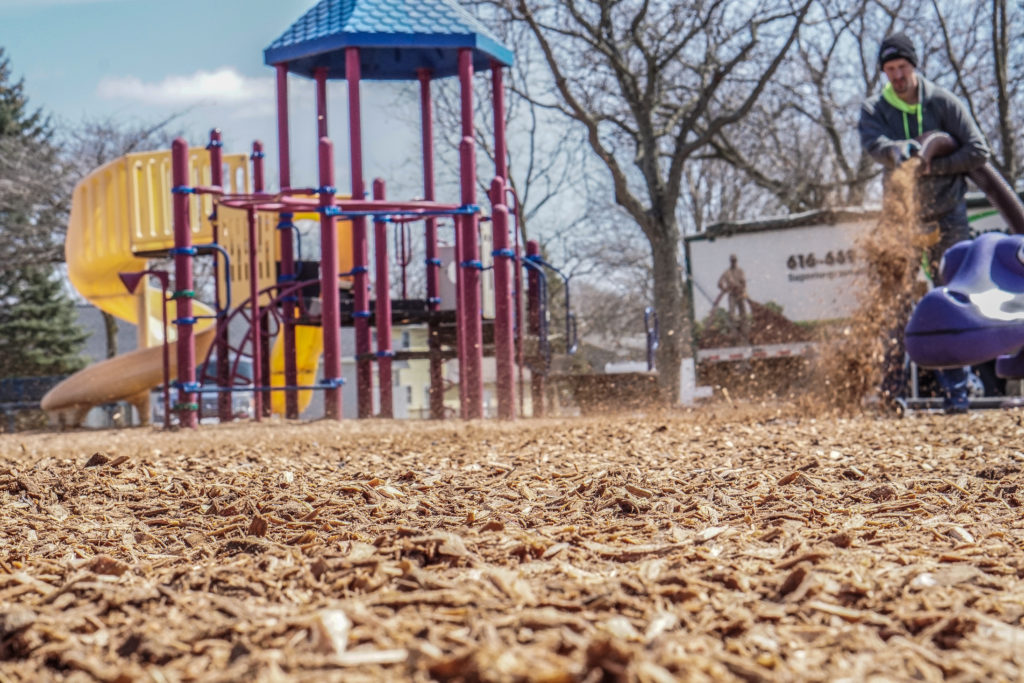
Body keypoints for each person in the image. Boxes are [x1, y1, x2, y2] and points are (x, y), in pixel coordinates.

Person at [858, 32, 990, 413]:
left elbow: (979, 151)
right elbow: (874, 144)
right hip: (901, 220)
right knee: (895, 302)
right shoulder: (874, 110)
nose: (897, 76)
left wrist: (935, 165)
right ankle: (891, 392)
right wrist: (896, 151)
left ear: (913, 66)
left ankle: (959, 389)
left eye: (902, 67)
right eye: (889, 70)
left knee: (949, 300)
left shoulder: (942, 103)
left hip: (947, 215)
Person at [716, 254, 748, 320]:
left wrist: (743, 291)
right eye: (732, 261)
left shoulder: (740, 271)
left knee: (743, 314)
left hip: (740, 294)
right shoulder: (727, 272)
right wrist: (725, 289)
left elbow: (744, 283)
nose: (734, 262)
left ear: (736, 261)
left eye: (735, 260)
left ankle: (744, 328)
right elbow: (719, 283)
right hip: (732, 295)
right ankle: (734, 328)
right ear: (730, 261)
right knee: (732, 314)